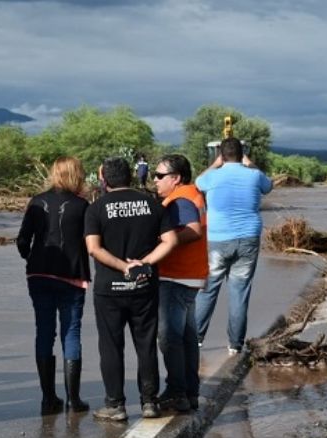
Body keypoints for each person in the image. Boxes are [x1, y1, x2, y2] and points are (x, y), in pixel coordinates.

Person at [85, 157, 176, 421]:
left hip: (109, 289)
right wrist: (142, 264)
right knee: (145, 344)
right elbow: (169, 241)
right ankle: (149, 402)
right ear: (132, 177)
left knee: (111, 346)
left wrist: (122, 267)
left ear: (104, 180)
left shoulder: (96, 208)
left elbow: (94, 249)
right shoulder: (152, 204)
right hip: (144, 286)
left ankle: (115, 405)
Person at [17, 156, 91, 415]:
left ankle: (48, 399)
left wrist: (33, 257)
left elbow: (22, 241)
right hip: (72, 274)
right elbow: (90, 242)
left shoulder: (37, 201)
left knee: (44, 332)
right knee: (71, 333)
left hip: (39, 274)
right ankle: (74, 400)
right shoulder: (82, 205)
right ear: (76, 175)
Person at [194, 137, 273, 355]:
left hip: (218, 239)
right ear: (242, 154)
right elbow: (269, 185)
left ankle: (196, 339)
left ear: (221, 154)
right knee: (239, 291)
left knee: (208, 289)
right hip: (248, 238)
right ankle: (235, 345)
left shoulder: (212, 177)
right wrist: (251, 164)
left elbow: (197, 183)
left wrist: (215, 164)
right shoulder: (255, 175)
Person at [153, 154, 207, 412]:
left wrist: (165, 241)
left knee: (169, 337)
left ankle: (176, 392)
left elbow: (194, 229)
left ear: (175, 178)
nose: (155, 179)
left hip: (176, 275)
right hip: (190, 275)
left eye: (160, 175)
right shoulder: (191, 193)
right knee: (186, 336)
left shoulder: (181, 199)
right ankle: (190, 392)